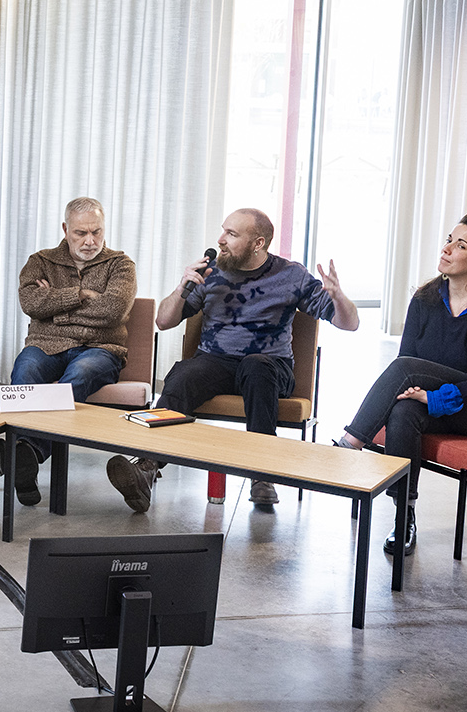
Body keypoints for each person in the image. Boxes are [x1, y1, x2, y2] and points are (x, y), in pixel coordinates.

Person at [110, 208, 359, 512]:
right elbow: (163, 321)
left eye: (231, 234)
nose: (220, 240)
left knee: (256, 367)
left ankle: (262, 474)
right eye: (223, 230)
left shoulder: (291, 275)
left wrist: (339, 298)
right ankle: (146, 468)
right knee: (185, 374)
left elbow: (350, 323)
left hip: (269, 366)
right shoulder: (211, 273)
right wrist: (181, 288)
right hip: (216, 361)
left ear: (258, 243)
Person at [335, 212, 467, 556]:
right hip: (440, 398)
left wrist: (435, 398)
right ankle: (404, 515)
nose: (447, 249)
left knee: (405, 374)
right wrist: (422, 397)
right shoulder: (425, 298)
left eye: (461, 246)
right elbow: (408, 363)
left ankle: (349, 445)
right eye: (448, 240)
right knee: (403, 412)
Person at [0, 198, 136, 507]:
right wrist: (82, 295)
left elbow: (113, 310)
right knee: (26, 371)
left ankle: (27, 453)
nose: (90, 241)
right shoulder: (41, 261)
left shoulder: (121, 264)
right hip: (46, 345)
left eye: (96, 232)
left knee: (79, 375)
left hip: (100, 349)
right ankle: (26, 462)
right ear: (65, 229)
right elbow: (30, 303)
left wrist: (55, 308)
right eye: (81, 233)